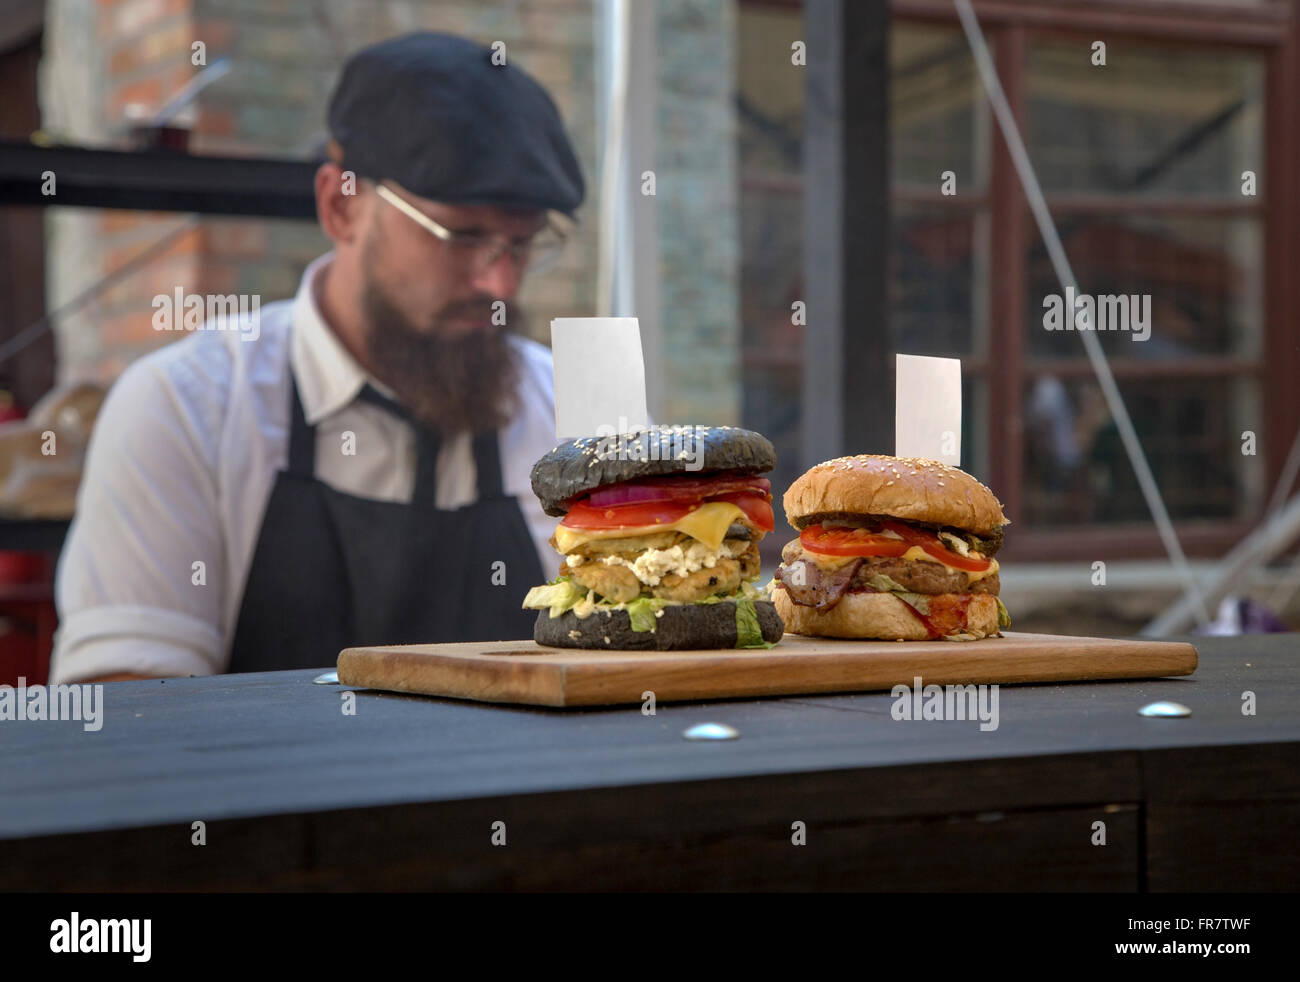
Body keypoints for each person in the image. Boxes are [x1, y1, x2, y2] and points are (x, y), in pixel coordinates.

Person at [49, 33, 585, 683]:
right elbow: (130, 719)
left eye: (522, 246)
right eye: (463, 236)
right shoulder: (188, 409)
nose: (500, 285)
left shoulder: (566, 413)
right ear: (341, 206)